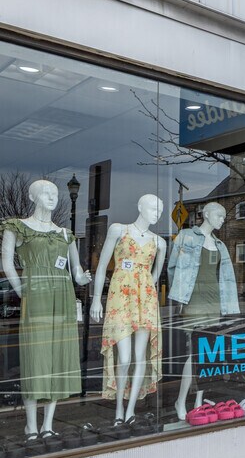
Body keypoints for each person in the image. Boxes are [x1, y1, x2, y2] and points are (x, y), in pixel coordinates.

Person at [0, 180, 91, 437]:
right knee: (36, 357)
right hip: (36, 296)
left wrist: (82, 278)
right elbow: (7, 263)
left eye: (54, 193)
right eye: (45, 193)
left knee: (58, 357)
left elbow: (75, 268)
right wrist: (22, 290)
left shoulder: (64, 233)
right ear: (32, 197)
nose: (51, 197)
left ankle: (48, 424)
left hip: (62, 295)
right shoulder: (18, 227)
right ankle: (31, 424)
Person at [90, 194, 166, 424]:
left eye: (160, 211)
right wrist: (96, 298)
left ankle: (130, 410)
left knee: (139, 357)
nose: (157, 214)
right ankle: (118, 409)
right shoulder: (118, 230)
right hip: (120, 298)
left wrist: (145, 289)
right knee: (124, 358)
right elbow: (102, 266)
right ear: (140, 207)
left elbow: (155, 275)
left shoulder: (159, 242)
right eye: (153, 208)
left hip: (145, 301)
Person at [167, 202, 239, 420]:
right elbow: (172, 268)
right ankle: (181, 400)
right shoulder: (186, 236)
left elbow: (227, 278)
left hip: (214, 301)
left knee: (207, 353)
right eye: (219, 215)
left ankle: (198, 401)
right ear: (206, 214)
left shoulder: (220, 245)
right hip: (194, 300)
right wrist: (179, 296)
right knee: (195, 352)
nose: (222, 219)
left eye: (224, 217)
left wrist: (229, 306)